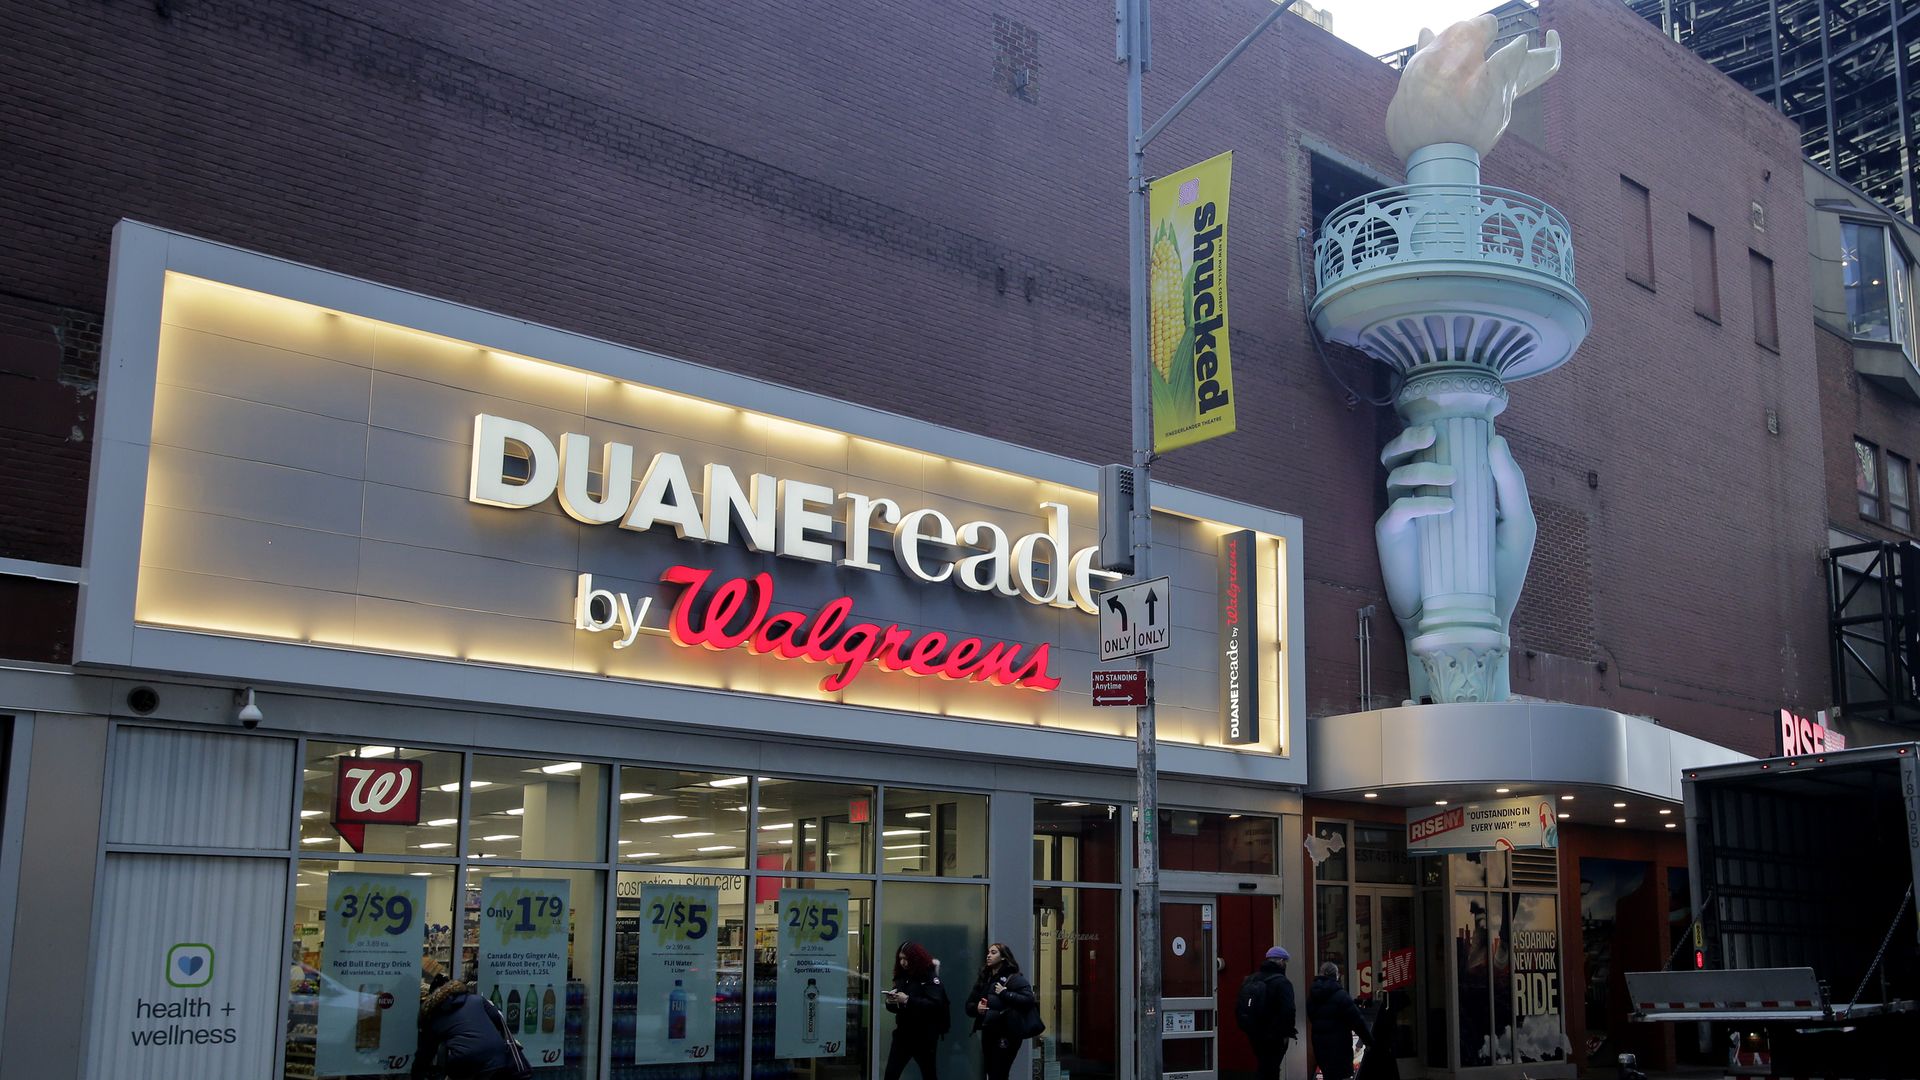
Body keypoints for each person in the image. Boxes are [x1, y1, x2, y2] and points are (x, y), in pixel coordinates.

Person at [413, 962, 523, 1080]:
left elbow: (426, 1052)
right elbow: (498, 1018)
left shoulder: (435, 1013)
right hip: (497, 1057)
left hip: (465, 1062)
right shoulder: (477, 1000)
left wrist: (416, 1074)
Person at [964, 942, 1035, 1080]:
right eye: (988, 952)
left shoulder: (1013, 978)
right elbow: (968, 1005)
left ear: (1003, 957)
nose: (989, 955)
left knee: (999, 1073)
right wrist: (976, 1008)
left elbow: (1028, 999)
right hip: (988, 1032)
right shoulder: (984, 978)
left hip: (1007, 1034)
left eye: (994, 952)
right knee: (991, 1072)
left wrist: (1005, 993)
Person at [883, 941, 951, 1080]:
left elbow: (935, 1004)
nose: (903, 962)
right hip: (903, 1033)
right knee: (891, 1073)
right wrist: (891, 1001)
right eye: (900, 958)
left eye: (906, 959)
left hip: (924, 1036)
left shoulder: (929, 976)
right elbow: (896, 1007)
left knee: (929, 1074)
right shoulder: (902, 976)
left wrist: (908, 1000)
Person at [1234, 946, 1298, 1080]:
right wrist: (1286, 1033)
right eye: (1285, 962)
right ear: (1281, 961)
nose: (1285, 965)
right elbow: (1289, 1010)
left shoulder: (1251, 979)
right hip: (1275, 1035)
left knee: (1264, 1066)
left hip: (1254, 1033)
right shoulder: (1282, 982)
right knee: (1271, 1069)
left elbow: (1240, 1005)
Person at [1306, 962, 1371, 1080]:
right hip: (1339, 1046)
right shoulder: (1341, 995)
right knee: (1341, 1075)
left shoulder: (1312, 995)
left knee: (1328, 1074)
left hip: (1320, 1045)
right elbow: (1357, 1021)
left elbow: (1311, 1016)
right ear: (1336, 976)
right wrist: (1369, 1041)